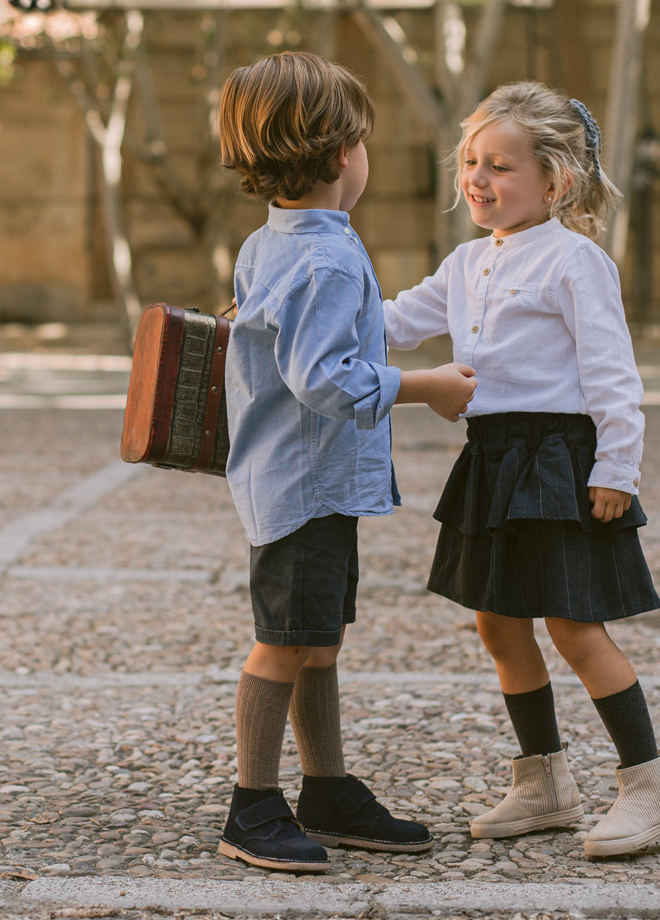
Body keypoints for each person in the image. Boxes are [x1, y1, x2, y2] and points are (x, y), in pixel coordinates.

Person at [383, 81, 660, 858]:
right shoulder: (465, 261)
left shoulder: (576, 262)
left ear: (557, 180)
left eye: (502, 166)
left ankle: (648, 789)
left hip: (558, 459)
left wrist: (617, 466)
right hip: (491, 459)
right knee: (496, 619)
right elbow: (393, 322)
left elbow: (613, 374)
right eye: (472, 161)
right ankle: (542, 782)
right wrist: (302, 310)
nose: (479, 178)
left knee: (575, 626)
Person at [215, 50, 479, 873]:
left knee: (316, 638)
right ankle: (252, 807)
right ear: (340, 155)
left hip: (306, 481)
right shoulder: (325, 257)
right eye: (362, 142)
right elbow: (323, 380)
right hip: (301, 485)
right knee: (284, 643)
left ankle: (325, 788)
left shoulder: (276, 241)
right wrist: (426, 383)